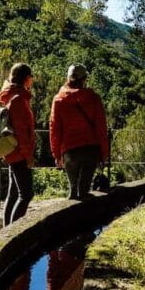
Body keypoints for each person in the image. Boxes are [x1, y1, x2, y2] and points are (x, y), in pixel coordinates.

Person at [49, 64, 109, 200]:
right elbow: (101, 127)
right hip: (91, 150)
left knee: (73, 190)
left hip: (70, 151)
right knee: (84, 191)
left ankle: (72, 199)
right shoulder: (94, 98)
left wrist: (56, 154)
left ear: (68, 78)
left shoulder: (58, 100)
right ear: (84, 79)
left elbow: (54, 129)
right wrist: (104, 153)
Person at [0, 62, 35, 227]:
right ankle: (13, 232)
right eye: (31, 77)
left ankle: (7, 230)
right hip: (19, 153)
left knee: (14, 193)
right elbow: (22, 132)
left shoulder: (10, 96)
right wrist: (28, 156)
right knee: (26, 194)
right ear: (27, 79)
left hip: (11, 151)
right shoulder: (19, 99)